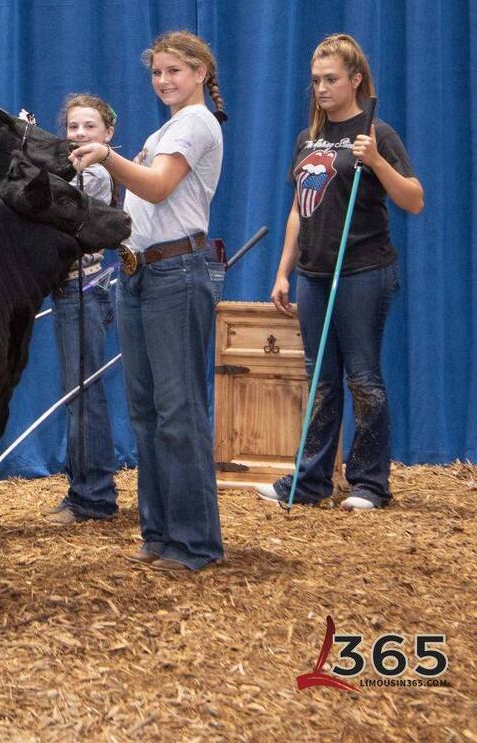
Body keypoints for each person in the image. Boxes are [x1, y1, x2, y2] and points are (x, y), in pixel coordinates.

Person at [71, 30, 227, 573]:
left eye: (174, 71)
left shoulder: (196, 123)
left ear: (200, 73)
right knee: (146, 412)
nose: (163, 80)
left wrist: (109, 157)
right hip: (140, 272)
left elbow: (158, 187)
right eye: (157, 72)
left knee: (178, 411)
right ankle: (159, 532)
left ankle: (195, 542)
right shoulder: (166, 129)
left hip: (175, 274)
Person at [261, 34, 423, 510]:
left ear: (355, 80)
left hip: (363, 270)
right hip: (313, 273)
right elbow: (299, 208)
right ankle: (310, 481)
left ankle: (370, 483)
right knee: (320, 380)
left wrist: (376, 162)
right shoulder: (307, 139)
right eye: (315, 80)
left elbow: (414, 199)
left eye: (331, 79)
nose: (321, 88)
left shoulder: (377, 134)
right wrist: (283, 271)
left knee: (363, 378)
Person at [46, 94, 121, 526]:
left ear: (108, 133)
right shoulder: (72, 172)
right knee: (76, 394)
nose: (78, 134)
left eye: (89, 126)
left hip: (83, 289)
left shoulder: (93, 175)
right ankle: (83, 488)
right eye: (73, 126)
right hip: (69, 290)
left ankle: (94, 496)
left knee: (84, 393)